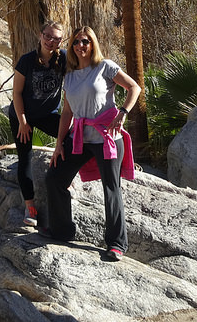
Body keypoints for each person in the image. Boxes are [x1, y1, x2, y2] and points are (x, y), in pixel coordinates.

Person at [41, 25, 140, 262]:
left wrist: (123, 112)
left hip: (107, 137)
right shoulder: (71, 75)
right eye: (76, 42)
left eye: (85, 41)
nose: (80, 46)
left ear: (92, 43)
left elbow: (134, 87)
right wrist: (58, 145)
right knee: (54, 177)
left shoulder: (105, 66)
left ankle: (116, 244)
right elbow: (67, 112)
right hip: (80, 138)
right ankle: (62, 231)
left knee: (111, 188)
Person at [9, 21, 67, 226]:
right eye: (48, 36)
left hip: (47, 115)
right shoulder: (27, 61)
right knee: (25, 158)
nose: (51, 41)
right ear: (40, 35)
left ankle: (62, 182)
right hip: (21, 115)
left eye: (56, 38)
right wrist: (23, 122)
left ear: (61, 40)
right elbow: (16, 93)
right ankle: (30, 208)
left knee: (72, 136)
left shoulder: (65, 59)